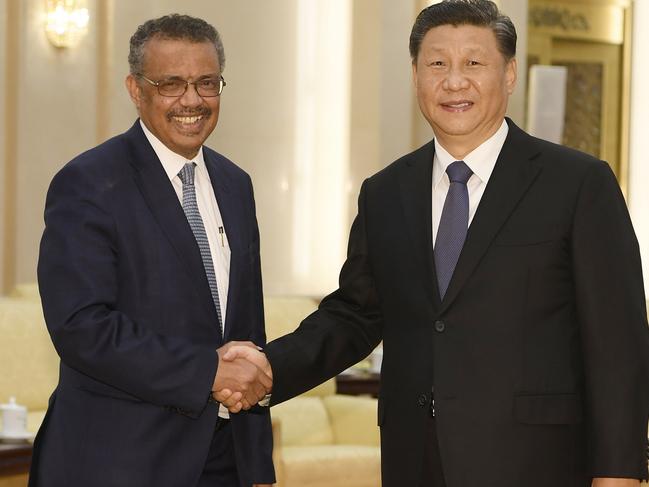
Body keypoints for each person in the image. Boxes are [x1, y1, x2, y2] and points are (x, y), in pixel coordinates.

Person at [218, 1, 649, 486]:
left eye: (474, 63)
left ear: (509, 74)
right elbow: (355, 315)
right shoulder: (385, 192)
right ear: (416, 74)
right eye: (437, 63)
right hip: (415, 459)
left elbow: (618, 345)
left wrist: (619, 474)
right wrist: (270, 368)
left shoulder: (577, 184)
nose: (454, 81)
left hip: (536, 462)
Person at [31, 14, 273, 487]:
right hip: (119, 460)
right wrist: (208, 371)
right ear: (135, 88)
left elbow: (247, 327)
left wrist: (258, 462)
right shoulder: (88, 183)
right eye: (171, 84)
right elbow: (81, 326)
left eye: (206, 83)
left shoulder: (235, 184)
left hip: (224, 460)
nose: (192, 100)